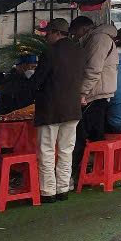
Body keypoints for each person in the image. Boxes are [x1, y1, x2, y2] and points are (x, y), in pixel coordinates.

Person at [32, 17, 86, 203]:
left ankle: (48, 192)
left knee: (47, 150)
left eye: (48, 33)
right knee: (66, 150)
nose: (46, 37)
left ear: (56, 33)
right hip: (72, 108)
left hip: (50, 108)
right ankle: (63, 189)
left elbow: (38, 80)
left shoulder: (50, 52)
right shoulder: (79, 51)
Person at [70, 16, 118, 180]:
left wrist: (81, 93)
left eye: (75, 33)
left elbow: (93, 70)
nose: (75, 37)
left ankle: (75, 176)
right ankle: (98, 174)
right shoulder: (99, 38)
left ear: (82, 29)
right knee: (96, 136)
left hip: (95, 94)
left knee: (81, 136)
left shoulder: (98, 40)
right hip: (99, 93)